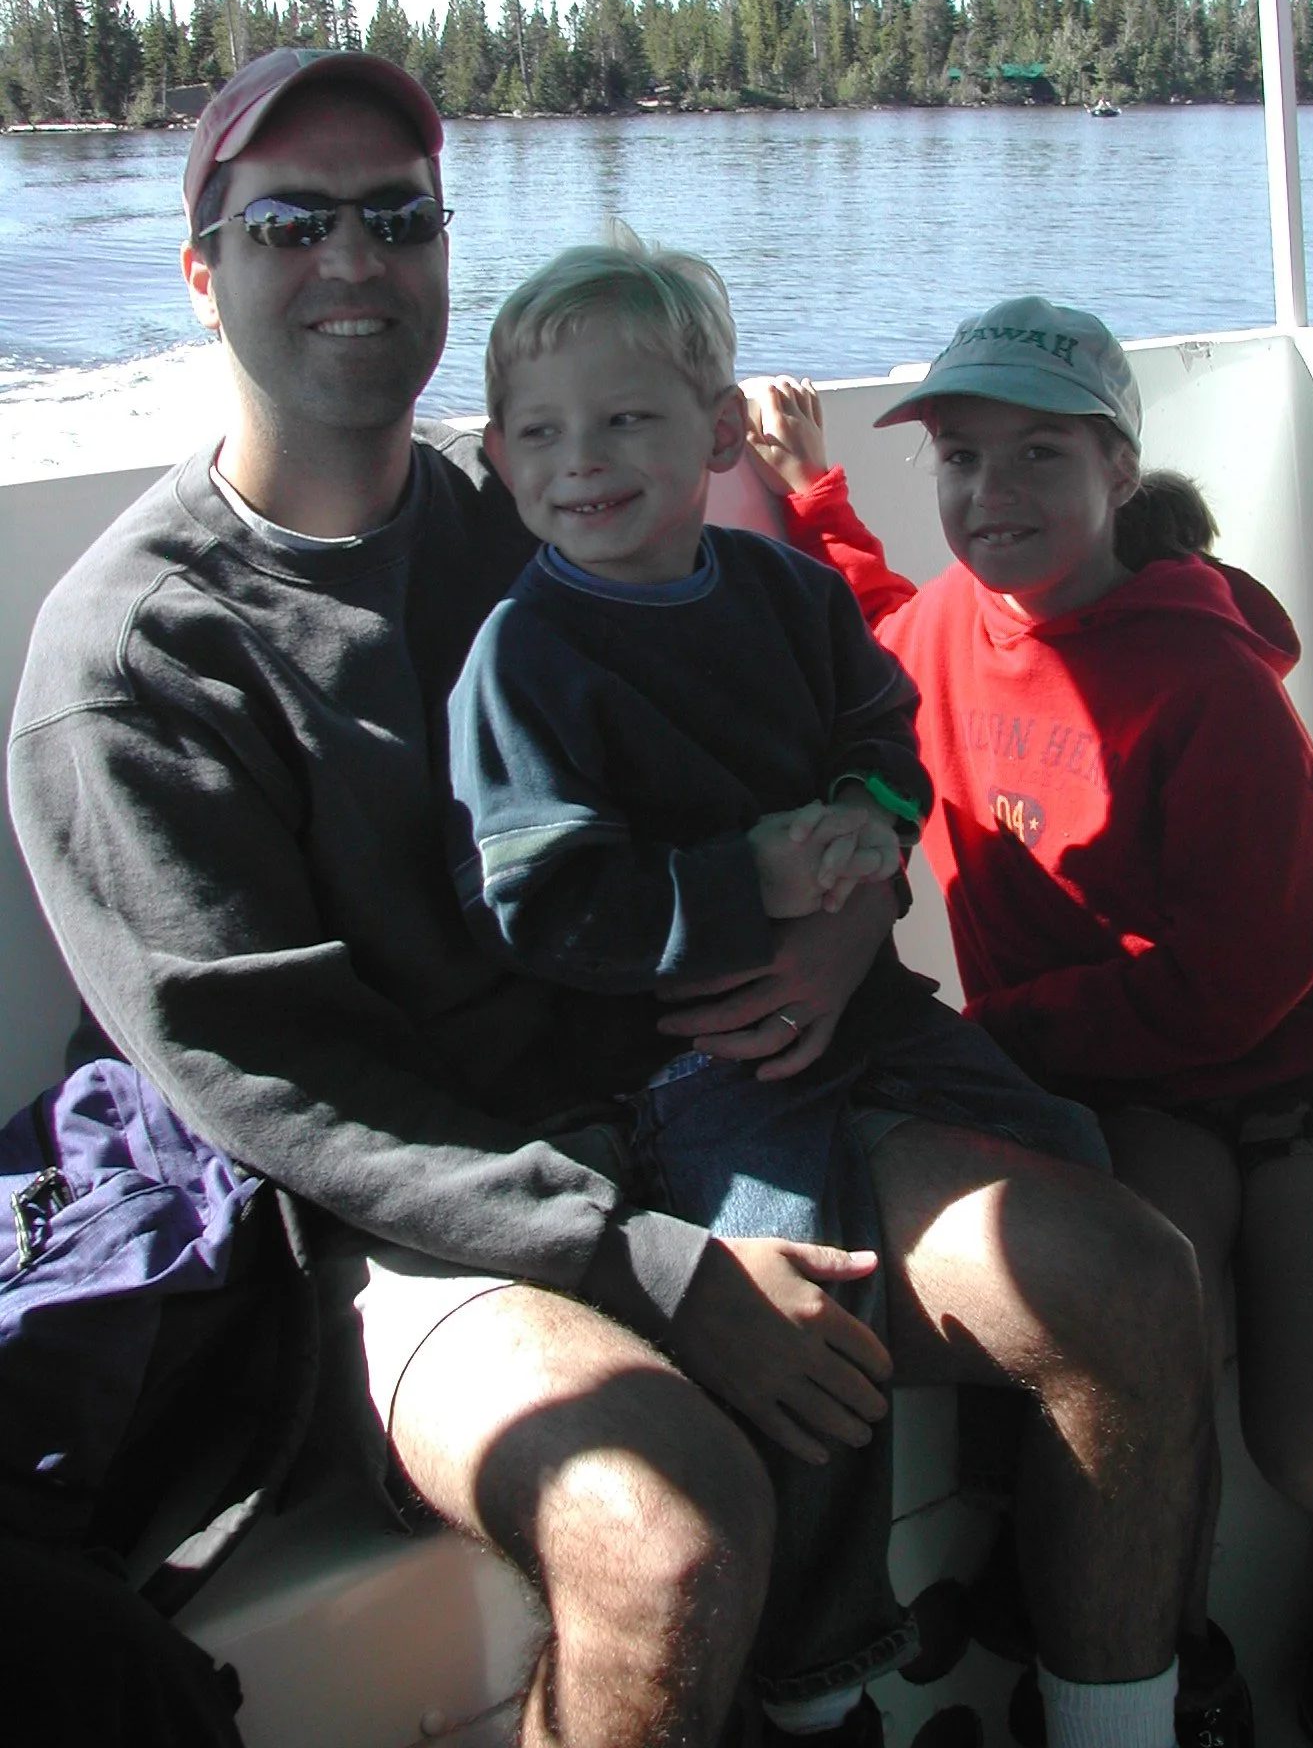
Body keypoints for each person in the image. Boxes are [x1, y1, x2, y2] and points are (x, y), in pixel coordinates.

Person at [8, 53, 1207, 1748]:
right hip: (387, 1231)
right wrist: (642, 1262)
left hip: (679, 1088)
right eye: (290, 221)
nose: (352, 258)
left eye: (396, 217)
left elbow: (813, 746)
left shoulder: (544, 521)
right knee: (666, 1519)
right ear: (201, 270)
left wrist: (845, 921)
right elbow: (284, 1095)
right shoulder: (141, 658)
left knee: (1127, 1281)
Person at [743, 298, 1313, 1748]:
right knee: (1146, 1316)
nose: (991, 496)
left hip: (1290, 1070)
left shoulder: (1212, 687)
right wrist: (810, 490)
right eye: (959, 457)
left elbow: (1248, 975)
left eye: (1039, 457)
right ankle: (1172, 1655)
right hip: (1139, 1089)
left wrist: (995, 1044)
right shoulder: (947, 629)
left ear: (1120, 472)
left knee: (1311, 1438)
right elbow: (882, 624)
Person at [445, 228, 1110, 1735]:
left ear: (715, 426)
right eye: (540, 434)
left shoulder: (786, 599)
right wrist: (749, 876)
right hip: (695, 1068)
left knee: (1074, 1155)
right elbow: (543, 907)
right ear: (495, 457)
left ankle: (1022, 1518)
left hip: (865, 1015)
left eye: (627, 421)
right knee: (811, 1337)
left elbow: (887, 743)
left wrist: (869, 833)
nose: (583, 460)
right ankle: (820, 1685)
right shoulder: (525, 656)